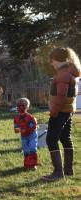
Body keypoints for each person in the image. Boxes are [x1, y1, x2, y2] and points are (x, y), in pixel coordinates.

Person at [42, 47, 81, 181]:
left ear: (56, 60)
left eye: (52, 61)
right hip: (68, 110)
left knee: (51, 139)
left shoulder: (63, 75)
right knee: (65, 138)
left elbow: (61, 96)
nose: (51, 64)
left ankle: (58, 173)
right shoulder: (70, 72)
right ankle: (68, 170)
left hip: (60, 111)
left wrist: (53, 112)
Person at [14, 98, 38, 170]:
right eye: (19, 105)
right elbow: (16, 128)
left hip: (32, 135)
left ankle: (33, 165)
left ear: (27, 107)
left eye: (23, 105)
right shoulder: (16, 118)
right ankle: (27, 165)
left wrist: (26, 130)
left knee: (32, 149)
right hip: (23, 136)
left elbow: (33, 126)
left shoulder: (30, 117)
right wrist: (19, 130)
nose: (20, 107)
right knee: (26, 150)